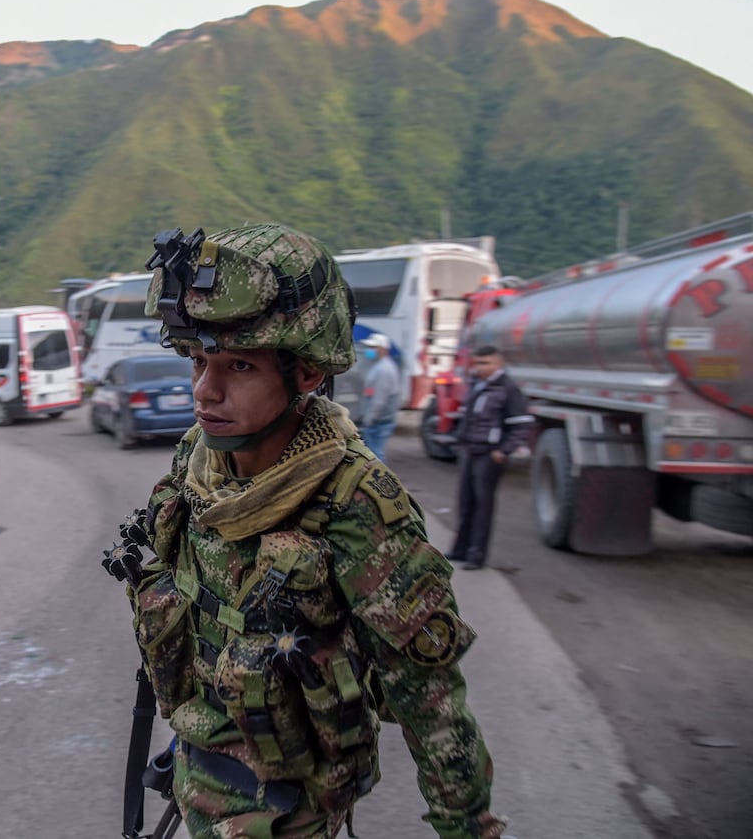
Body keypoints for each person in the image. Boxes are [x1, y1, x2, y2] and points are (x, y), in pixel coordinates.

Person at [114, 224, 507, 838]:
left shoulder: (356, 506)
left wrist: (467, 827)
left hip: (287, 808)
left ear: (304, 374)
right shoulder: (199, 459)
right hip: (197, 769)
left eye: (238, 366)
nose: (204, 391)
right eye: (198, 361)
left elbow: (430, 702)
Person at [448, 345, 532, 570]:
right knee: (465, 503)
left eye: (486, 363)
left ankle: (476, 555)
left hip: (489, 454)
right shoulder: (477, 385)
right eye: (477, 363)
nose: (480, 368)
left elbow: (522, 425)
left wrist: (503, 450)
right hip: (470, 450)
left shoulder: (508, 389)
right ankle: (460, 549)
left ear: (499, 364)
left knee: (483, 507)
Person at [357, 332, 400, 462]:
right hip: (377, 420)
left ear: (383, 349)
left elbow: (379, 400)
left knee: (376, 456)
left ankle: (379, 481)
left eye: (373, 347)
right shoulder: (379, 367)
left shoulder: (384, 370)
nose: (369, 350)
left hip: (378, 421)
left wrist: (369, 418)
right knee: (374, 453)